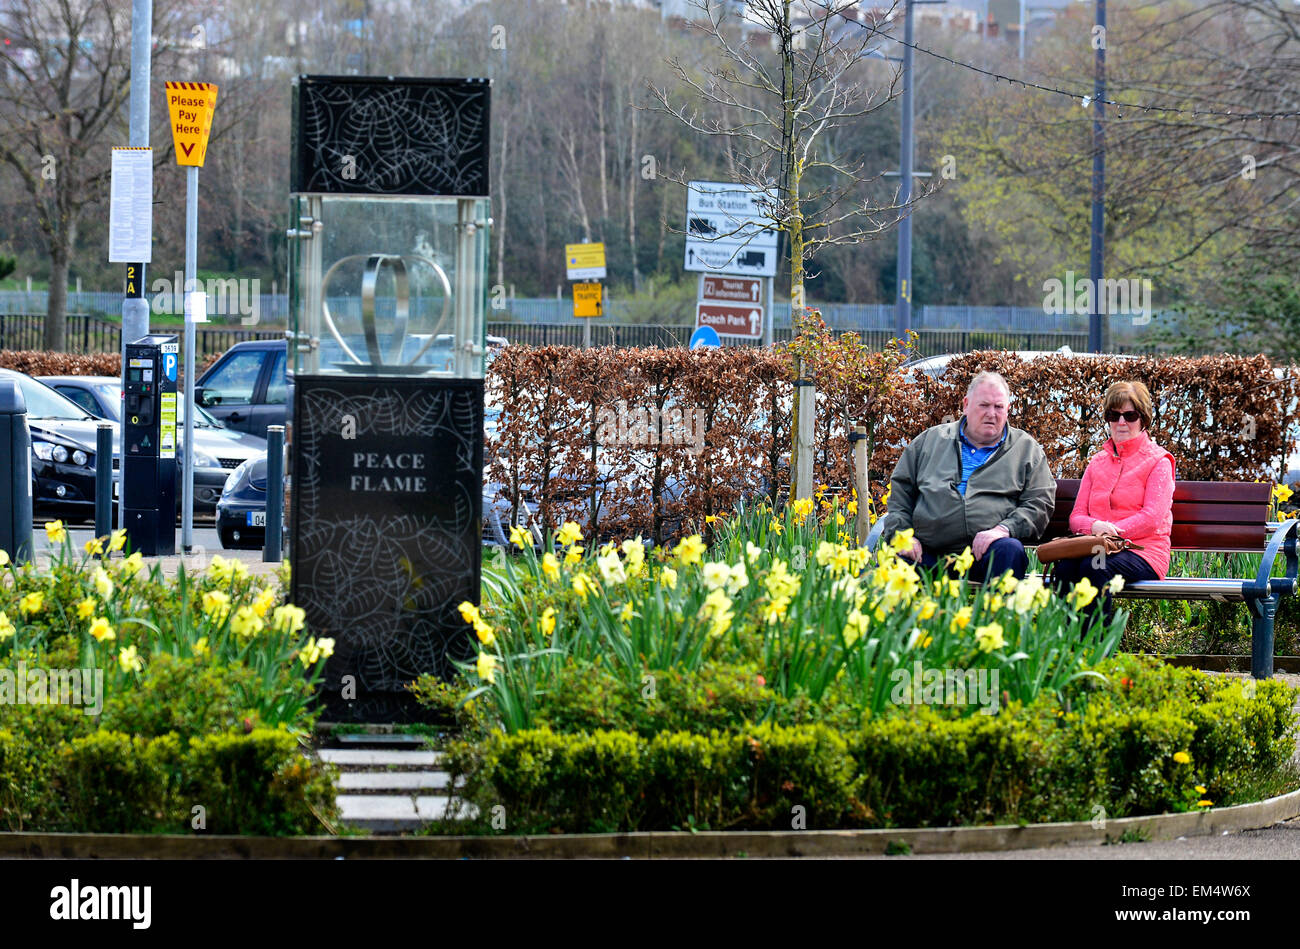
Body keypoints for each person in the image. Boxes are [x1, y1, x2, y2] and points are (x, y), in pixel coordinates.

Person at [881, 370, 1055, 581]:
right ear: (966, 405)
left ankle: (999, 615)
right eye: (984, 405)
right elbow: (900, 495)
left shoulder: (1026, 449)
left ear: (1008, 410)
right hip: (928, 552)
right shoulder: (929, 442)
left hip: (989, 553)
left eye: (999, 407)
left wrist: (1003, 529)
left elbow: (1039, 503)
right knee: (898, 558)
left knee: (1010, 550)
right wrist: (902, 535)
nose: (992, 413)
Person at [1049, 380, 1174, 619]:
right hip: (1097, 547)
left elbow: (1151, 519)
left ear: (1144, 419)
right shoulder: (1097, 462)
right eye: (1113, 415)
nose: (1121, 422)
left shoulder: (1159, 461)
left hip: (1143, 551)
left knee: (1093, 565)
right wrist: (1095, 528)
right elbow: (1076, 517)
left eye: (1130, 415)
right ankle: (1067, 646)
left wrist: (1110, 533)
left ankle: (1094, 649)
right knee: (1065, 567)